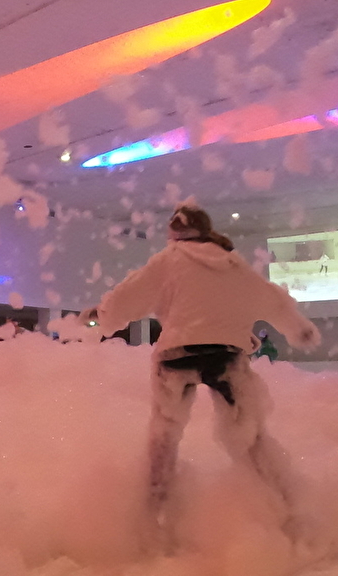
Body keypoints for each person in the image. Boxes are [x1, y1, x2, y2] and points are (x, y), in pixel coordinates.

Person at [90, 204, 321, 545]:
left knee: (165, 435)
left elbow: (128, 297)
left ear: (175, 233)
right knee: (247, 435)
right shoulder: (234, 265)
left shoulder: (169, 260)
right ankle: (284, 509)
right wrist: (299, 330)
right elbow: (273, 301)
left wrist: (103, 317)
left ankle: (149, 519)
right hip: (225, 355)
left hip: (177, 354)